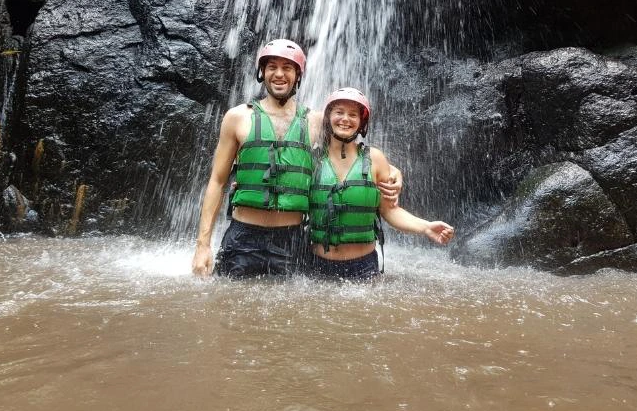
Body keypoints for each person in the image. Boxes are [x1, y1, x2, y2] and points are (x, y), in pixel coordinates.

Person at [191, 40, 401, 278]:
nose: (279, 74)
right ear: (262, 72)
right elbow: (217, 181)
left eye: (287, 68)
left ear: (298, 75)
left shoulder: (316, 121)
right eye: (272, 66)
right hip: (242, 238)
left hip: (291, 240)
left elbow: (354, 152)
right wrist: (202, 245)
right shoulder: (237, 117)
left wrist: (394, 172)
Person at [308, 87, 454, 280]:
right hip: (318, 265)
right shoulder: (311, 159)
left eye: (353, 114)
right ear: (327, 118)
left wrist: (425, 227)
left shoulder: (375, 159)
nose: (345, 119)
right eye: (339, 112)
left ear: (361, 123)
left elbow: (390, 210)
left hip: (362, 266)